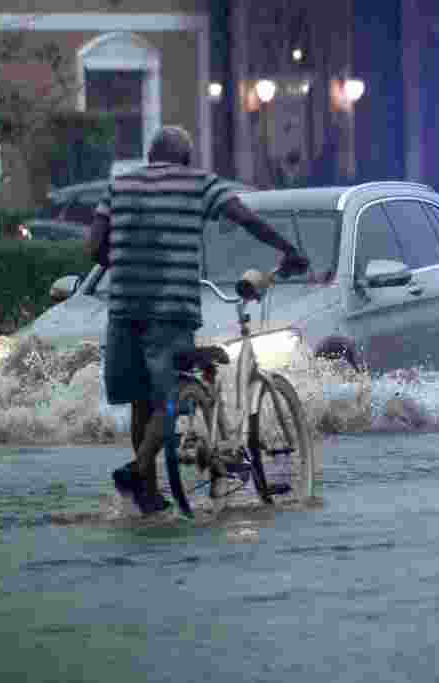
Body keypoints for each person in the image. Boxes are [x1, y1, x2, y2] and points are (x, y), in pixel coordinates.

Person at [85, 126, 309, 515]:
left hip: (123, 307)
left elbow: (93, 247)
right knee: (170, 394)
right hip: (171, 308)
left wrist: (125, 263)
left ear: (150, 156)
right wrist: (289, 250)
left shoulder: (117, 185)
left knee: (142, 399)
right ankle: (138, 470)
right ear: (185, 160)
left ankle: (149, 493)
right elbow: (244, 218)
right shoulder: (198, 183)